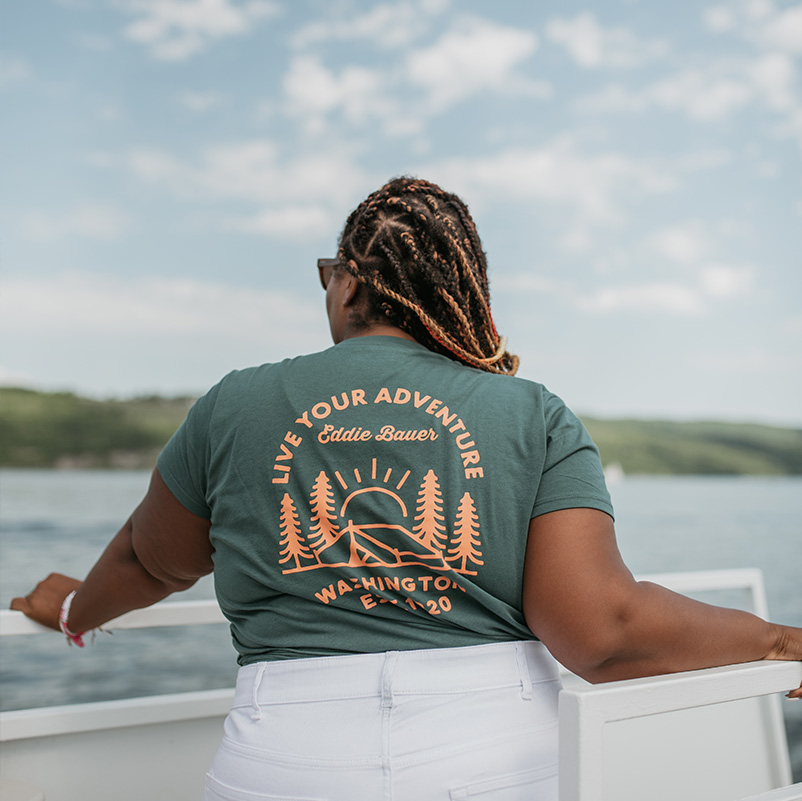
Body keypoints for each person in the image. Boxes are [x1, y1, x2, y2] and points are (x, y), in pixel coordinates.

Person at [12, 176, 802, 801]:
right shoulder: (532, 413)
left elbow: (150, 561)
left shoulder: (233, 404)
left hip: (282, 763)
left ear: (352, 286)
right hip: (496, 762)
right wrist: (773, 641)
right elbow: (602, 629)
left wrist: (75, 609)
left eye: (328, 276)